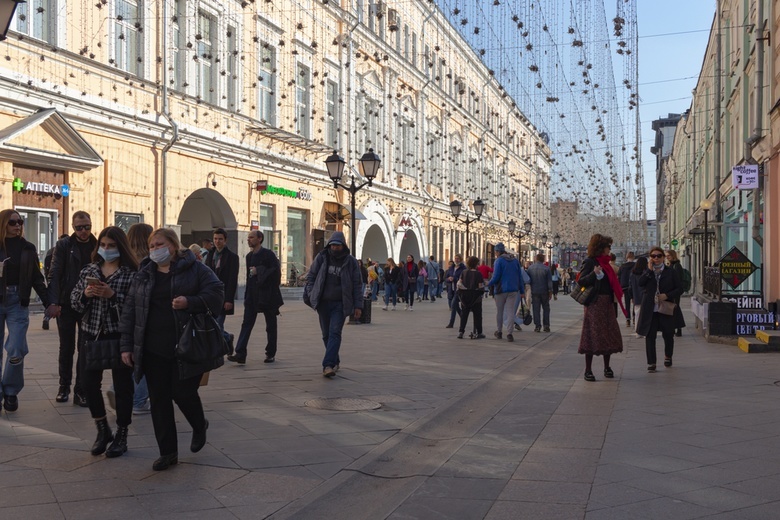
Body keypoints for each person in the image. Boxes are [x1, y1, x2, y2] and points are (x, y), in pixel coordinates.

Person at [119, 228, 224, 471]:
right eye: (152, 245)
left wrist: (191, 302)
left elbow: (217, 293)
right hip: (154, 348)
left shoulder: (195, 268)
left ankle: (199, 424)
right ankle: (167, 453)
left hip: (187, 346)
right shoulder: (144, 273)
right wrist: (126, 346)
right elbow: (130, 310)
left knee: (183, 392)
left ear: (174, 246)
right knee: (159, 400)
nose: (155, 249)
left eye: (160, 244)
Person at [71, 226, 138, 458]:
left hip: (119, 335)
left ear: (121, 247)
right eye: (103, 245)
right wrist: (85, 295)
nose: (106, 249)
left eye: (111, 245)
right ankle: (102, 428)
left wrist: (113, 296)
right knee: (88, 384)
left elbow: (135, 308)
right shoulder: (90, 269)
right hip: (91, 333)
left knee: (123, 388)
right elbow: (75, 302)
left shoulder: (130, 273)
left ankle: (121, 433)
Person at [0, 210, 49, 412]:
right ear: (3, 223)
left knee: (17, 348)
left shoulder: (27, 248)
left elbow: (36, 277)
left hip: (17, 301)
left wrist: (49, 302)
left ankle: (10, 391)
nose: (17, 225)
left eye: (20, 221)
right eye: (13, 222)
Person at [47, 210, 98, 406]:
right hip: (67, 303)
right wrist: (54, 302)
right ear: (73, 228)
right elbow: (55, 273)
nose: (84, 231)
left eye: (87, 227)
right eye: (79, 228)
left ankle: (81, 390)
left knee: (85, 348)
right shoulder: (64, 245)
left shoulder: (96, 244)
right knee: (66, 347)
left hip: (88, 303)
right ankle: (64, 386)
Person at [302, 231, 362, 378]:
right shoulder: (322, 257)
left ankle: (328, 365)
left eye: (338, 245)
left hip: (340, 304)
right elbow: (311, 276)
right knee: (326, 334)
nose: (335, 248)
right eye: (333, 245)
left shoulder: (350, 262)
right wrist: (311, 293)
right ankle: (335, 359)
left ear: (343, 246)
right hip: (323, 303)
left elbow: (357, 284)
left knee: (335, 332)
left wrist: (358, 305)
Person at [227, 230, 283, 364]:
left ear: (260, 239)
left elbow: (276, 273)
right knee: (246, 324)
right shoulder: (248, 256)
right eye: (248, 238)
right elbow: (249, 277)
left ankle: (270, 353)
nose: (248, 240)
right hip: (252, 296)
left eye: (251, 237)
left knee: (270, 325)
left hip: (267, 296)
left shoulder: (268, 254)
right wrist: (247, 296)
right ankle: (240, 353)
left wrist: (260, 271)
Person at [576, 234, 626, 382]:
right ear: (600, 248)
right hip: (594, 304)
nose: (609, 250)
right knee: (592, 335)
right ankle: (588, 370)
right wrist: (594, 273)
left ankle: (607, 367)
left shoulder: (607, 263)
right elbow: (581, 281)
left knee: (608, 335)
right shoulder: (590, 262)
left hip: (607, 303)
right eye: (608, 247)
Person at [637, 247, 683, 372]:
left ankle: (668, 356)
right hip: (650, 309)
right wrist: (649, 271)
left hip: (666, 308)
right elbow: (640, 283)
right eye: (653, 256)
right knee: (650, 335)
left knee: (668, 334)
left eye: (658, 256)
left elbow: (680, 288)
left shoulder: (670, 272)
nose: (656, 258)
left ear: (663, 257)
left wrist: (667, 295)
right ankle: (651, 362)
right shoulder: (647, 271)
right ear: (650, 258)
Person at [124, 223, 153, 415]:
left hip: (127, 318)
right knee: (147, 359)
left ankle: (131, 394)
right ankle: (139, 399)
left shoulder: (124, 259)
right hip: (146, 317)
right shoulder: (150, 262)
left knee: (132, 357)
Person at [204, 228, 239, 350]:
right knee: (213, 324)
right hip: (210, 296)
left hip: (223, 297)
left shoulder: (232, 257)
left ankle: (220, 348)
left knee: (217, 324)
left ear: (225, 241)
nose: (217, 241)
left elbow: (232, 280)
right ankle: (227, 338)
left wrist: (229, 299)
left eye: (220, 239)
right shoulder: (209, 255)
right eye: (215, 239)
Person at [487, 243, 523, 342]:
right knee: (511, 311)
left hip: (500, 290)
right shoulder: (515, 261)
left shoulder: (499, 261)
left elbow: (496, 277)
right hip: (513, 290)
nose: (495, 254)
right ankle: (509, 333)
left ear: (498, 252)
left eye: (495, 252)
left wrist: (488, 284)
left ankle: (499, 331)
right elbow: (520, 277)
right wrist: (522, 290)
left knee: (500, 311)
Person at [42, 234, 69, 330]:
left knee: (53, 300)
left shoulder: (51, 251)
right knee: (54, 301)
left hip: (54, 280)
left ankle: (46, 317)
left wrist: (48, 277)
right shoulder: (59, 251)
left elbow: (47, 267)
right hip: (59, 282)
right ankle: (48, 317)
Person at [457, 256, 485, 339]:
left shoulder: (464, 272)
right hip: (476, 297)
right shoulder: (478, 274)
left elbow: (460, 283)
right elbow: (480, 286)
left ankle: (461, 331)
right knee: (477, 315)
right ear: (476, 264)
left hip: (465, 297)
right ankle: (479, 332)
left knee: (464, 315)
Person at [527, 254, 553, 333]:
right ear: (543, 259)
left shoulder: (530, 268)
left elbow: (528, 280)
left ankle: (537, 326)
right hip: (544, 291)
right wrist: (550, 291)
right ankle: (546, 326)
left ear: (536, 258)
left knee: (536, 309)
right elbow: (549, 281)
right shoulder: (546, 268)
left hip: (534, 291)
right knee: (546, 309)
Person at [665, 249, 687, 337]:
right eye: (666, 256)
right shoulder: (671, 265)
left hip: (675, 291)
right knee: (672, 309)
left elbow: (677, 279)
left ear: (673, 256)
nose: (667, 257)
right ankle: (674, 328)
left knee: (675, 309)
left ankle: (678, 329)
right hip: (670, 291)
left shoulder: (677, 266)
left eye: (668, 256)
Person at [629, 256, 649, 338]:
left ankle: (638, 332)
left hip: (636, 295)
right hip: (646, 295)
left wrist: (632, 296)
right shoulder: (646, 272)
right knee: (646, 315)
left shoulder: (633, 273)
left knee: (637, 314)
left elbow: (630, 286)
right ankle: (645, 332)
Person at [445, 255, 466, 328]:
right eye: (455, 258)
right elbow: (446, 277)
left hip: (459, 289)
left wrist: (454, 278)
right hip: (452, 288)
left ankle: (451, 322)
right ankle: (462, 317)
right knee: (455, 306)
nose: (456, 260)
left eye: (458, 259)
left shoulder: (463, 268)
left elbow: (463, 278)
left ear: (461, 259)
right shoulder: (451, 268)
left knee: (453, 305)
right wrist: (449, 279)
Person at [617, 252, 636, 327]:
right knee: (635, 303)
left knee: (627, 303)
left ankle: (628, 319)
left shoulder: (622, 266)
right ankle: (635, 318)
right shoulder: (635, 266)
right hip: (634, 286)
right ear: (633, 257)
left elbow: (619, 277)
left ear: (626, 257)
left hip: (625, 287)